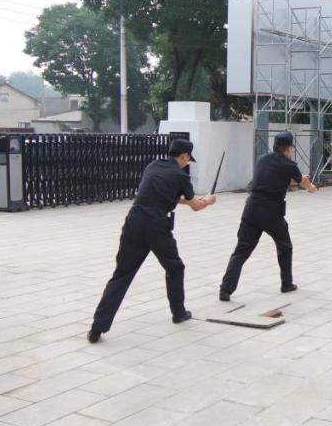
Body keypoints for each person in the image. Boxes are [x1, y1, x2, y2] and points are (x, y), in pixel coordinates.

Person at [88, 138, 216, 343]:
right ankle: (178, 312)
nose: (187, 163)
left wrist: (193, 201)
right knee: (175, 268)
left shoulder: (153, 166)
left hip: (134, 222)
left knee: (121, 274)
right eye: (187, 160)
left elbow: (166, 195)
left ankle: (97, 328)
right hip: (157, 226)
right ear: (183, 156)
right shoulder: (181, 176)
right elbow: (196, 206)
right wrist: (207, 201)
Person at [220, 131, 317, 300]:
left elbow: (276, 177)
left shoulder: (262, 159)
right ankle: (286, 283)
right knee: (285, 246)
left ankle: (225, 289)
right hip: (271, 211)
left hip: (251, 208)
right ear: (288, 149)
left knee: (241, 250)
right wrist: (311, 188)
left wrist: (297, 178)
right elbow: (303, 182)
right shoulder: (289, 164)